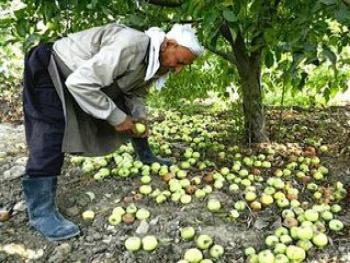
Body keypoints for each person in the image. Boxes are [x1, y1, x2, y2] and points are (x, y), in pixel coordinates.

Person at [21, 23, 203, 241]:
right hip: (52, 69)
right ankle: (41, 214)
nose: (178, 69)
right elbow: (80, 82)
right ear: (169, 45)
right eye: (180, 61)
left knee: (125, 111)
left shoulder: (156, 63)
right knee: (50, 132)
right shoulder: (132, 46)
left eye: (184, 66)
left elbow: (135, 94)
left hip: (81, 80)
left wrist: (138, 119)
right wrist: (117, 117)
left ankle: (146, 157)